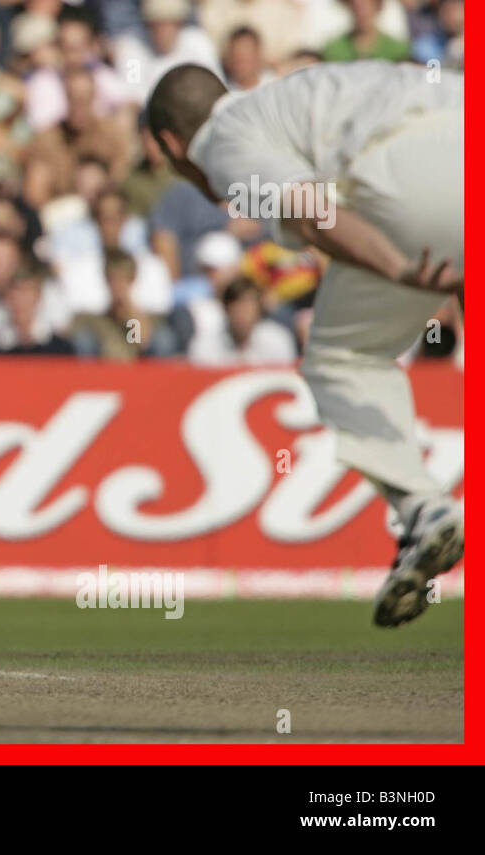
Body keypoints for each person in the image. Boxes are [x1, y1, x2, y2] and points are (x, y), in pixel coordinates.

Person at [146, 61, 463, 627]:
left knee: (341, 357)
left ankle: (424, 508)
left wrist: (396, 267)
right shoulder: (299, 94)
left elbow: (313, 216)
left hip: (413, 181)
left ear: (172, 145)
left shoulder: (223, 140)